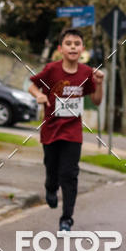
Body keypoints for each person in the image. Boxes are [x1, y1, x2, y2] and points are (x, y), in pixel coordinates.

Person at [28, 27, 104, 232]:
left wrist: (100, 83)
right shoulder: (51, 70)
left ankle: (67, 218)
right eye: (69, 44)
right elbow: (32, 85)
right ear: (61, 49)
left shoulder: (87, 73)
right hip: (51, 130)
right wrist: (39, 95)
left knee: (69, 174)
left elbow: (96, 101)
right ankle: (50, 188)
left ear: (82, 49)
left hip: (73, 132)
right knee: (52, 169)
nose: (73, 47)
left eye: (77, 44)